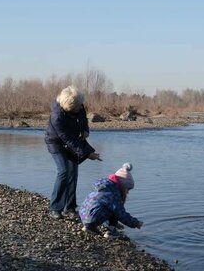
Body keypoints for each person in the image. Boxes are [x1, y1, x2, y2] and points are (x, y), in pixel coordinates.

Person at [45, 85, 100, 220]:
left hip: (72, 140)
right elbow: (68, 139)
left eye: (80, 105)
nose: (80, 108)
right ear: (68, 106)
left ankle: (69, 208)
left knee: (73, 173)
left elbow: (83, 119)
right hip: (56, 143)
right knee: (64, 171)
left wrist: (85, 130)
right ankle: (55, 207)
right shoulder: (57, 116)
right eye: (77, 107)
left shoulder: (79, 105)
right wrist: (87, 154)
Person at [79, 162, 143, 237]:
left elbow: (98, 208)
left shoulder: (101, 190)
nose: (128, 192)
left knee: (107, 207)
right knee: (116, 210)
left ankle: (88, 227)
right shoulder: (112, 196)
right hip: (93, 219)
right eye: (127, 189)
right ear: (122, 186)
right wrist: (135, 223)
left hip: (83, 216)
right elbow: (122, 214)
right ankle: (111, 231)